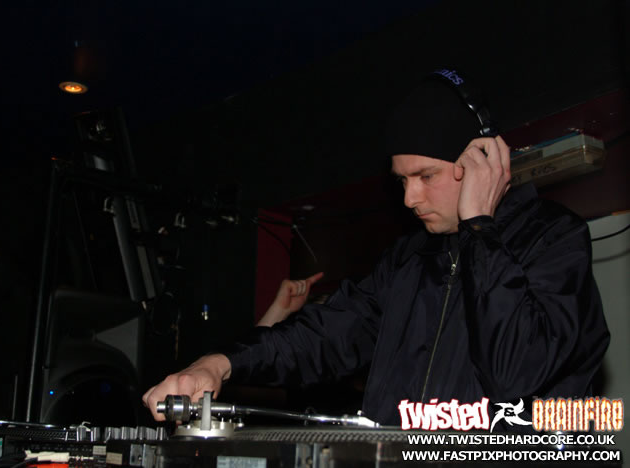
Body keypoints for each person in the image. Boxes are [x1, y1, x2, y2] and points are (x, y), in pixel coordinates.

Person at [143, 75, 609, 426]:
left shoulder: (553, 240)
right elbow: (323, 334)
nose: (410, 198)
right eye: (402, 180)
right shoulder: (408, 261)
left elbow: (514, 373)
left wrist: (480, 231)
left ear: (481, 162)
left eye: (426, 176)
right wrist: (218, 364)